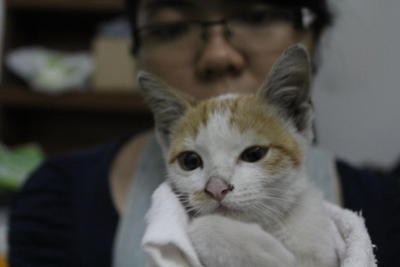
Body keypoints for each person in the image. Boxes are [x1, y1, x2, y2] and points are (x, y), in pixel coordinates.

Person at [7, 0, 400, 266]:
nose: (217, 55)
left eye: (257, 16)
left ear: (312, 37)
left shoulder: (385, 208)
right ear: (135, 49)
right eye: (172, 26)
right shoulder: (56, 196)